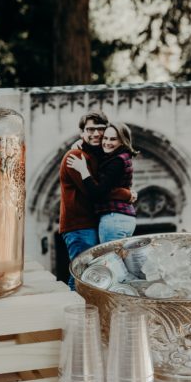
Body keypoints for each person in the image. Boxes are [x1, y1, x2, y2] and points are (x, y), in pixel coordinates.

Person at [59, 112, 132, 289]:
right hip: (79, 226)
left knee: (90, 274)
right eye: (91, 129)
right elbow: (95, 192)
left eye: (101, 129)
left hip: (91, 223)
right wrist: (126, 194)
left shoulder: (96, 155)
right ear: (82, 132)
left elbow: (104, 185)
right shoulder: (76, 156)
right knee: (82, 274)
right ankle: (73, 302)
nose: (97, 134)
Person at [66, 122, 137, 244]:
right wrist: (82, 142)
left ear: (122, 141)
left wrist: (83, 170)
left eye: (113, 139)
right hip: (123, 218)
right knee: (122, 255)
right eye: (105, 138)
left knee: (110, 256)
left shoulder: (117, 162)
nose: (107, 142)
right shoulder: (118, 156)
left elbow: (98, 192)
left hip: (113, 219)